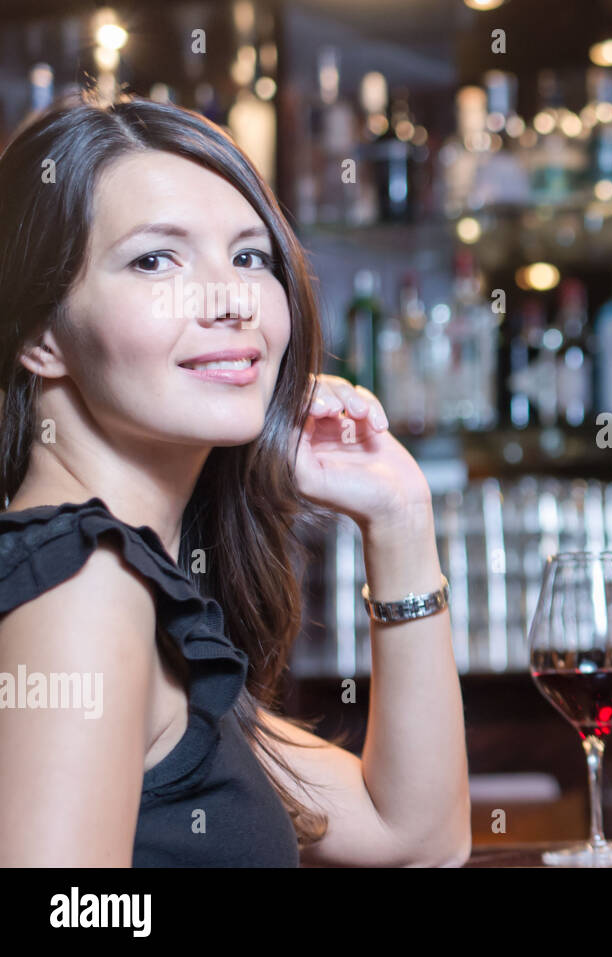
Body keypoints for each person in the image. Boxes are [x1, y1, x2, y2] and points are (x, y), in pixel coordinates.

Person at [0, 92, 471, 866]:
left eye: (250, 256)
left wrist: (400, 520)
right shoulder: (80, 582)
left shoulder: (134, 590)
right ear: (40, 335)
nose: (231, 300)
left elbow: (418, 835)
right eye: (156, 259)